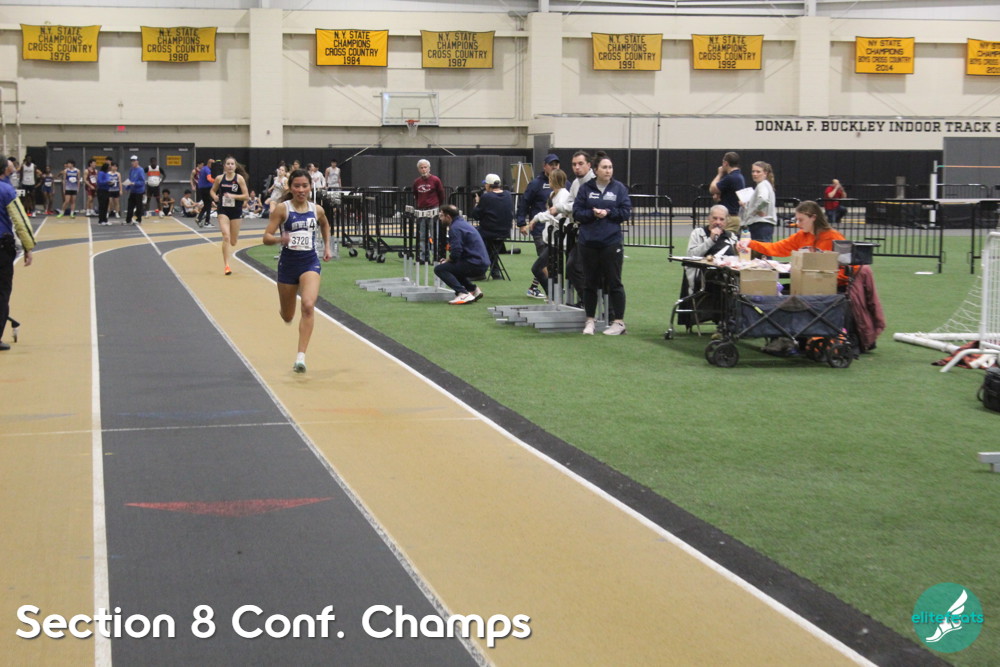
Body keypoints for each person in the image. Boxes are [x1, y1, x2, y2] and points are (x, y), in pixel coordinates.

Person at [262, 169, 332, 373]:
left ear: (311, 187)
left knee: (308, 306)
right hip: (288, 265)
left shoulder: (317, 209)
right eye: (297, 186)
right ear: (290, 188)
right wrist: (279, 239)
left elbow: (325, 225)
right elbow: (266, 237)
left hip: (309, 262)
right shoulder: (282, 209)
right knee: (288, 315)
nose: (301, 190)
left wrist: (327, 247)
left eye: (305, 186)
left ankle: (301, 357)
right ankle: (285, 311)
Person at [573, 152, 631, 336]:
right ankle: (590, 320)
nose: (608, 171)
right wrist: (592, 213)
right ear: (596, 170)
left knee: (614, 282)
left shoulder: (619, 188)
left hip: (611, 242)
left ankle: (618, 322)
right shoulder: (585, 188)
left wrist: (608, 212)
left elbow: (625, 212)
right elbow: (577, 212)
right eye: (604, 167)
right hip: (588, 242)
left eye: (610, 167)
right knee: (590, 283)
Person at [2, 156, 36, 351]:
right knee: (2, 292)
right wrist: (27, 246)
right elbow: (20, 220)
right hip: (2, 247)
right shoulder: (7, 190)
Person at [517, 152, 559, 298]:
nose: (554, 167)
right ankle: (551, 292)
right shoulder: (536, 184)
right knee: (545, 261)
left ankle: (534, 287)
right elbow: (524, 203)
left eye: (556, 164)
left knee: (548, 261)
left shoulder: (564, 183)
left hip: (557, 230)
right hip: (540, 229)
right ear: (544, 166)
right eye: (551, 164)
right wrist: (521, 223)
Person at [433, 204, 490, 305]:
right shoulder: (462, 223)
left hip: (475, 263)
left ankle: (463, 293)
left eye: (441, 216)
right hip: (481, 262)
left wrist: (446, 261)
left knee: (440, 269)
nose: (440, 218)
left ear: (448, 216)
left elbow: (456, 253)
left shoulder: (455, 228)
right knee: (452, 267)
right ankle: (473, 289)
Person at [528, 168, 570, 298]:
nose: (549, 181)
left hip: (558, 240)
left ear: (554, 180)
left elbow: (557, 215)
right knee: (551, 270)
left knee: (537, 268)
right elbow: (549, 213)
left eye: (550, 179)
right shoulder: (553, 194)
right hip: (550, 239)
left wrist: (537, 218)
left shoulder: (564, 195)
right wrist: (536, 219)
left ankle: (552, 294)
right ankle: (553, 295)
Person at [210, 156, 250, 275]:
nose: (230, 166)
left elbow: (246, 196)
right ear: (224, 166)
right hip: (223, 210)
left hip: (236, 211)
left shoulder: (239, 179)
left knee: (233, 241)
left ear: (235, 166)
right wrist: (215, 197)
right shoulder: (219, 178)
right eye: (228, 164)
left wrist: (233, 196)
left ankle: (231, 244)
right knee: (226, 236)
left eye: (232, 164)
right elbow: (212, 190)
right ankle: (227, 265)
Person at [685, 204, 738, 292]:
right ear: (709, 218)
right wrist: (711, 240)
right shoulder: (698, 233)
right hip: (703, 280)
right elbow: (691, 255)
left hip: (727, 281)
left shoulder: (731, 237)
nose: (718, 222)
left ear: (726, 221)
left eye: (721, 219)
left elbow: (737, 259)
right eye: (715, 218)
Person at [471, 173, 513, 279]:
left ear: (488, 185)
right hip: (505, 232)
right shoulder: (508, 195)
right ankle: (495, 271)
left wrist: (477, 202)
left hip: (489, 231)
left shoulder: (487, 197)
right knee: (490, 246)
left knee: (473, 237)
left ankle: (479, 271)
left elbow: (476, 215)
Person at [412, 159, 446, 263]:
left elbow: (441, 194)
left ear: (429, 168)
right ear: (418, 169)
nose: (423, 169)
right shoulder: (417, 182)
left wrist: (437, 207)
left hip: (433, 211)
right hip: (421, 211)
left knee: (434, 235)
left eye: (425, 167)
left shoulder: (435, 180)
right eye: (421, 168)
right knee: (422, 235)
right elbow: (415, 194)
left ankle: (435, 256)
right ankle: (423, 257)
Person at [740, 161, 777, 245]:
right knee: (763, 250)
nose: (754, 174)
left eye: (758, 172)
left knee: (761, 251)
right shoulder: (766, 185)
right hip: (764, 225)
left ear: (765, 173)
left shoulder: (762, 185)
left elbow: (764, 200)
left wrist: (756, 210)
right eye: (753, 171)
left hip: (760, 224)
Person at [709, 151, 744, 234]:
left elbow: (712, 189)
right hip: (732, 215)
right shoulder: (739, 176)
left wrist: (719, 174)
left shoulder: (731, 177)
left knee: (724, 239)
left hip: (730, 217)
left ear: (725, 163)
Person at [123, 154, 146, 225]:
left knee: (139, 206)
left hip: (139, 191)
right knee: (130, 206)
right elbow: (130, 179)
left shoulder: (140, 170)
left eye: (134, 161)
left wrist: (134, 183)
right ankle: (128, 220)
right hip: (133, 191)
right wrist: (127, 187)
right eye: (131, 161)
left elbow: (142, 181)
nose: (132, 163)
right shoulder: (131, 170)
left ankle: (139, 219)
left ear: (137, 162)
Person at [195, 158, 215, 227]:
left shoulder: (203, 169)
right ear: (209, 163)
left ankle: (199, 218)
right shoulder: (207, 170)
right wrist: (217, 181)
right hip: (206, 189)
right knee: (208, 205)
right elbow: (209, 178)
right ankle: (207, 222)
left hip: (201, 188)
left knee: (207, 204)